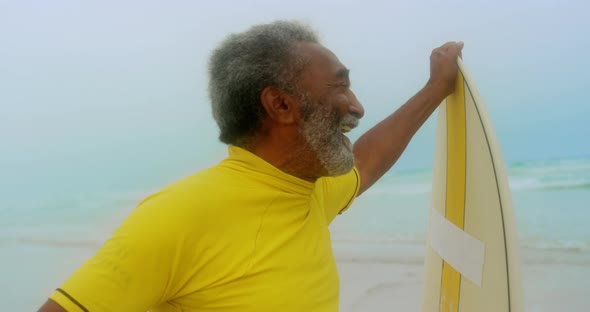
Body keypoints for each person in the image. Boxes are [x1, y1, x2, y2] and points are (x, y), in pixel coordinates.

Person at [38, 20, 463, 312]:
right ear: (280, 104)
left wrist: (435, 89)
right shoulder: (177, 216)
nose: (357, 107)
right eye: (340, 87)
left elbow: (368, 159)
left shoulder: (309, 190)